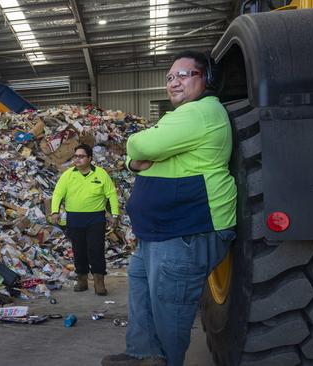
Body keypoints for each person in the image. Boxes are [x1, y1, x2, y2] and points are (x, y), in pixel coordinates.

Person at [101, 51, 237, 366]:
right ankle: (143, 353)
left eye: (184, 75)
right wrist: (135, 158)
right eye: (169, 78)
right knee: (141, 293)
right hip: (160, 232)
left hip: (186, 229)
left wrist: (136, 149)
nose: (174, 82)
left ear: (206, 79)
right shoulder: (183, 117)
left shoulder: (200, 113)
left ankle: (167, 360)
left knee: (169, 307)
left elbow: (141, 146)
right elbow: (137, 158)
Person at [51, 143, 120, 296]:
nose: (77, 159)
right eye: (75, 156)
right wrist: (54, 212)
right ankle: (82, 280)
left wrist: (114, 215)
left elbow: (111, 194)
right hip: (74, 219)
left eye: (81, 156)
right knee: (79, 250)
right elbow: (57, 194)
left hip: (95, 218)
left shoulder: (101, 174)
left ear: (90, 158)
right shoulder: (68, 175)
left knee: (95, 249)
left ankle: (99, 282)